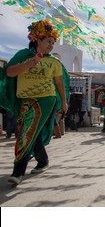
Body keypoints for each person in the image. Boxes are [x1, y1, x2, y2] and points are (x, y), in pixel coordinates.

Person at [0, 19, 69, 185]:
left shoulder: (54, 62)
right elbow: (9, 73)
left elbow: (59, 83)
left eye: (53, 42)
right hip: (24, 99)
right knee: (31, 130)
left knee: (27, 131)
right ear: (37, 39)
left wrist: (64, 103)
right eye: (48, 42)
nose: (51, 45)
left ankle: (18, 171)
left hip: (46, 99)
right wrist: (30, 63)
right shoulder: (23, 55)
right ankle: (43, 160)